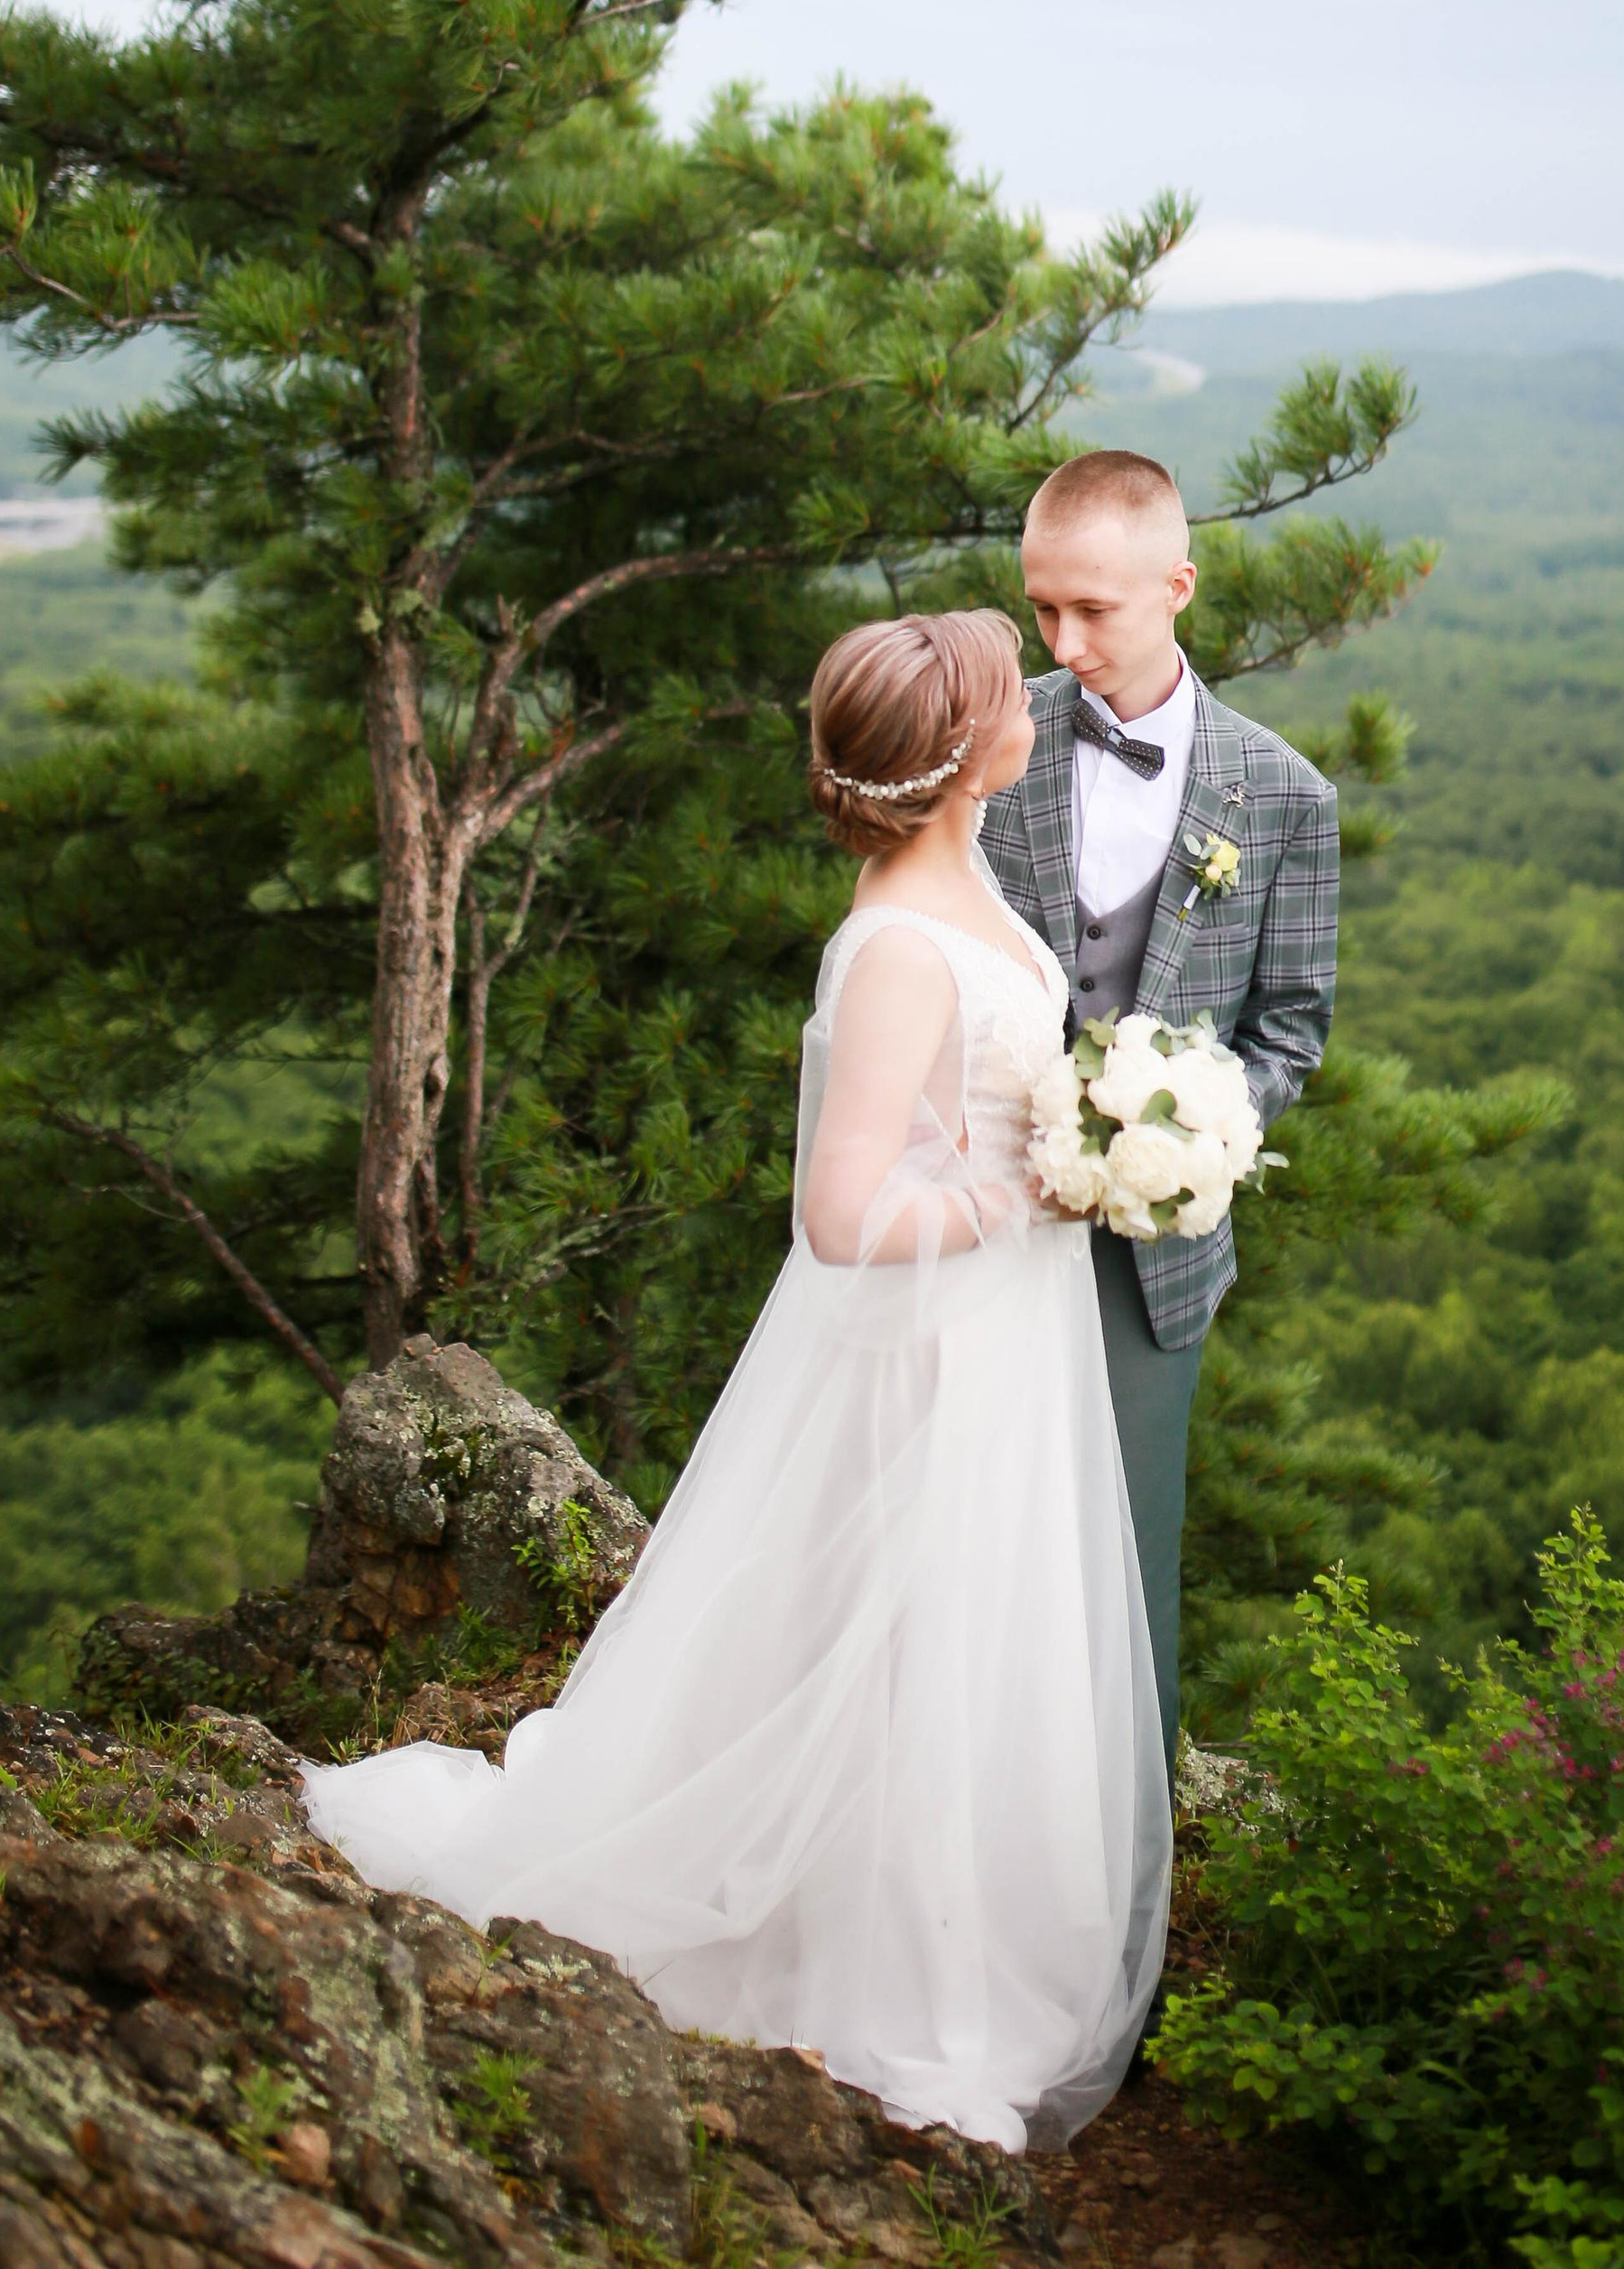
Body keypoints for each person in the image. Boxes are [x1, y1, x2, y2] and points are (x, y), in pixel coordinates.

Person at [299, 609, 1167, 2156]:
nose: (1032, 696)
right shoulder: (898, 943)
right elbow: (837, 1216)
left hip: (1000, 1340)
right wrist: (1015, 1198)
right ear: (963, 761)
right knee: (910, 1640)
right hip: (934, 1351)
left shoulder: (961, 869)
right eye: (998, 692)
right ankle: (882, 1960)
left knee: (974, 1633)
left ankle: (941, 1903)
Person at [979, 450, 1340, 1776]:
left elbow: (1289, 1026)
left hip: (1155, 1261)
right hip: (977, 1224)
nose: (1063, 644)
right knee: (973, 1546)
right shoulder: (991, 743)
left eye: (1094, 611)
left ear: (1177, 587)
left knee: (1130, 1572)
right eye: (1041, 610)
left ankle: (1126, 1899)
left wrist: (1183, 1132)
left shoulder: (1287, 797)